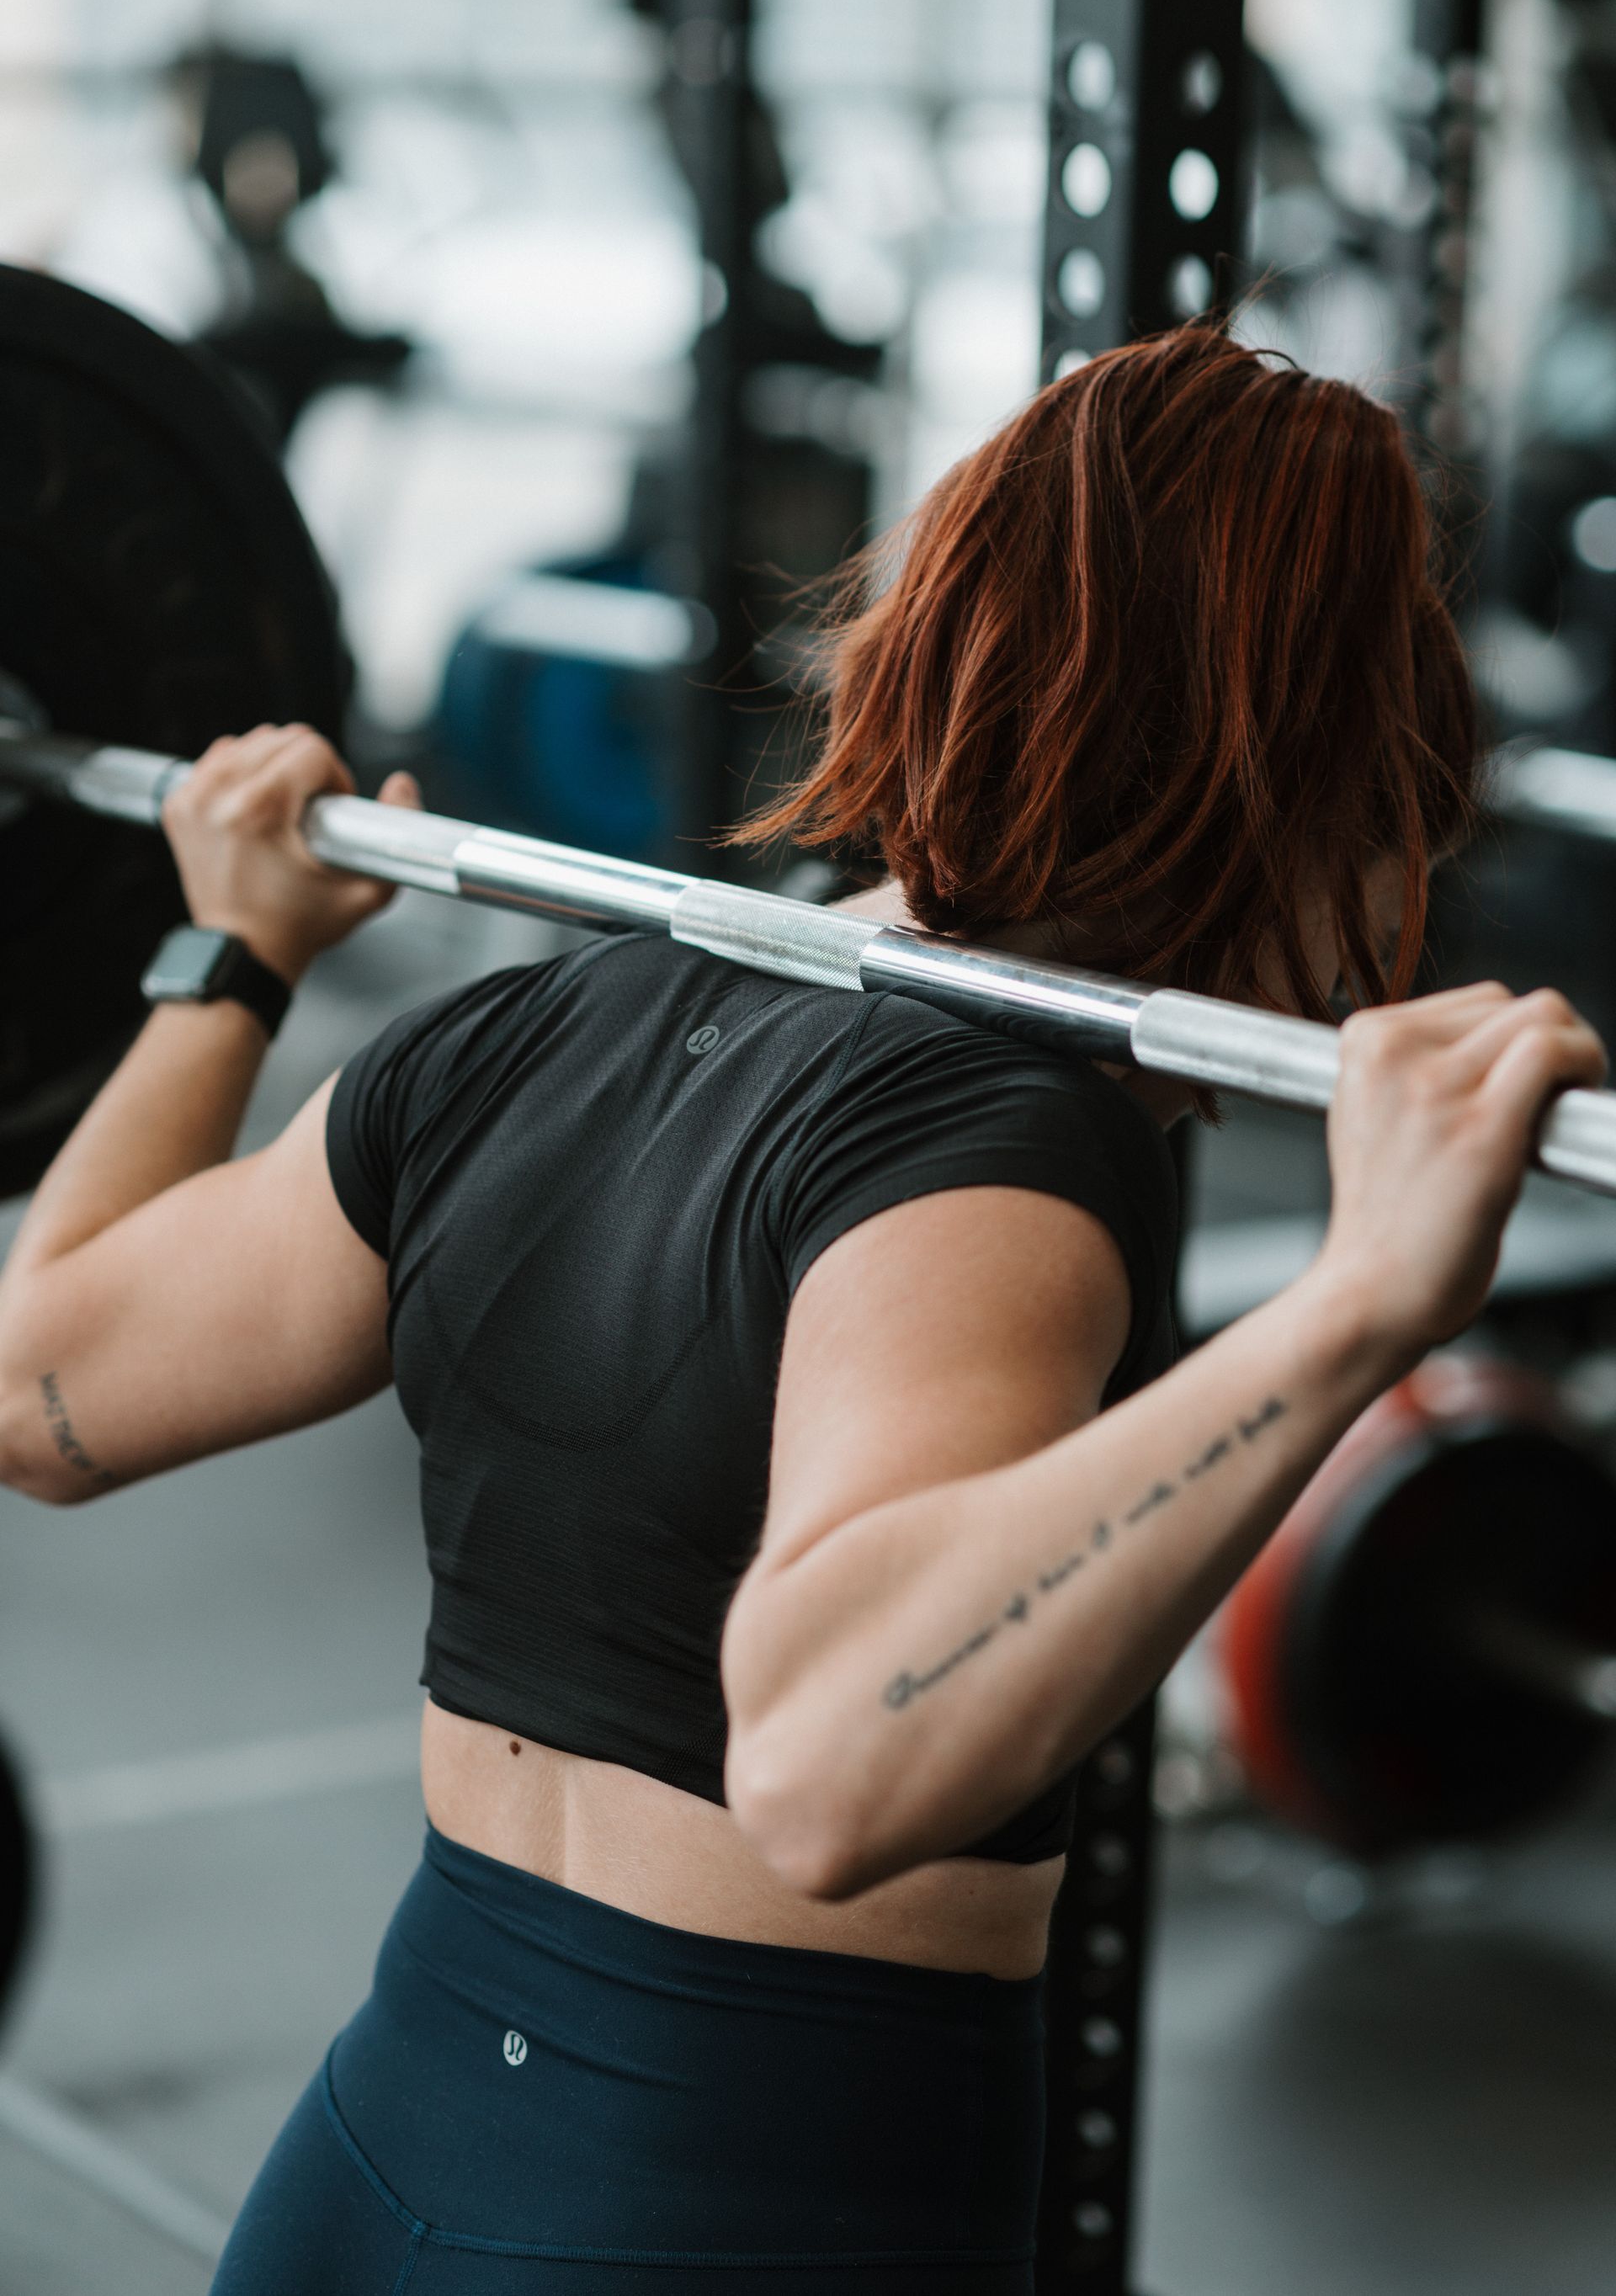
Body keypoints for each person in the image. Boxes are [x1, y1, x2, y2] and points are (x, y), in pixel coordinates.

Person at [0, 323, 1601, 2294]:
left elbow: (41, 1380)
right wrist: (1360, 1302)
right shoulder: (992, 1147)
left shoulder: (530, 1024)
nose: (1384, 950)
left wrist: (225, 950)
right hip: (731, 2225)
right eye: (1396, 836)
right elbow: (834, 1762)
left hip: (370, 2162)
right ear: (1309, 774)